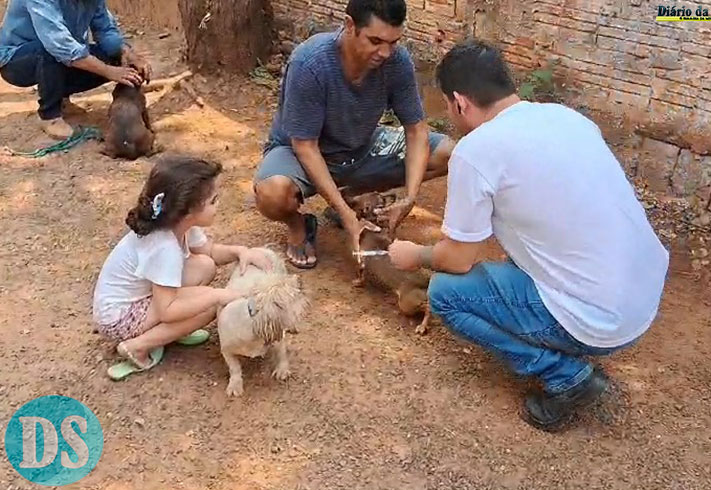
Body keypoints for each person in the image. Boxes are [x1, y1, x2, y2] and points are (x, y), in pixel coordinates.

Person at [388, 40, 669, 432]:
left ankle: (565, 376)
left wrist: (414, 254)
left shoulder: (475, 150)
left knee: (445, 295)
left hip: (601, 324)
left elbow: (458, 259)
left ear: (459, 102)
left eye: (449, 107)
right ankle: (566, 327)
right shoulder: (566, 118)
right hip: (642, 301)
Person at [253, 0, 454, 269]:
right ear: (350, 26)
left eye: (393, 42)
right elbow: (305, 146)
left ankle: (352, 198)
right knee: (272, 194)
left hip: (361, 146)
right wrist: (348, 219)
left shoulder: (397, 61)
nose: (385, 52)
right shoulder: (310, 63)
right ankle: (302, 225)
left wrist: (409, 198)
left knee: (447, 152)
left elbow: (416, 130)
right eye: (375, 41)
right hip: (303, 152)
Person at [92, 155, 271, 380]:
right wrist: (217, 295)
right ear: (188, 210)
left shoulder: (179, 223)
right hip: (120, 319)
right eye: (213, 201)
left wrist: (240, 251)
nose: (219, 205)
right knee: (206, 306)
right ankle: (138, 345)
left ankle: (170, 333)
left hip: (134, 300)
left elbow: (209, 252)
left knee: (204, 266)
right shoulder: (164, 247)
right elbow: (168, 310)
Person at [0, 0, 150, 139]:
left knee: (113, 56)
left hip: (57, 53)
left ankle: (62, 98)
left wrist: (126, 53)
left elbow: (105, 31)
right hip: (15, 61)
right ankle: (50, 116)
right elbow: (59, 45)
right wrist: (109, 71)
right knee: (51, 51)